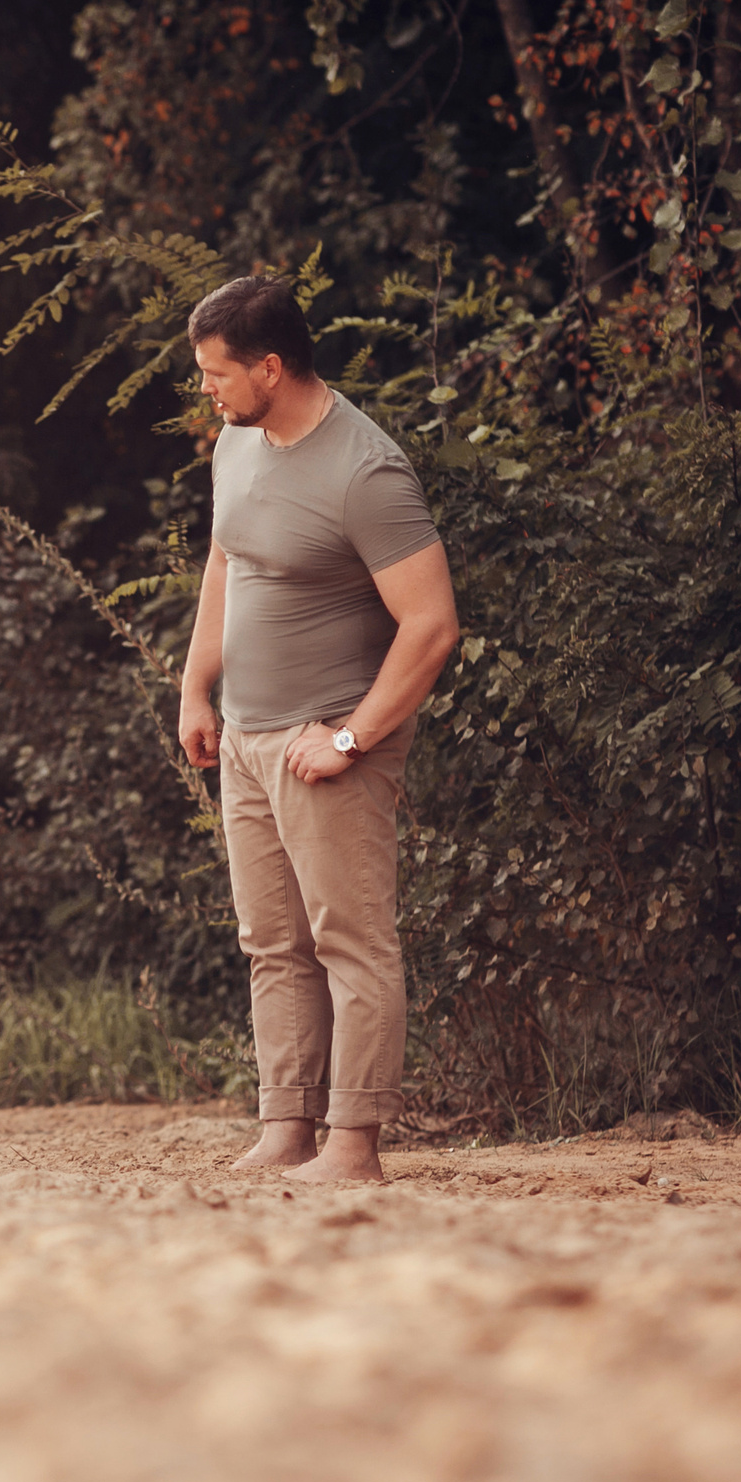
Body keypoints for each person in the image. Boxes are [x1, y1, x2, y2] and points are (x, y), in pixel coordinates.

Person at [175, 276, 460, 1183]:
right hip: (248, 742)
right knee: (272, 945)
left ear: (270, 365)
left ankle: (353, 1144)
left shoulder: (365, 470)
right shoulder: (236, 440)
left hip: (328, 745)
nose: (207, 390)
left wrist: (350, 739)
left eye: (218, 374)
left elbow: (433, 625)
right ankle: (286, 1128)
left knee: (351, 939)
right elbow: (226, 559)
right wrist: (195, 687)